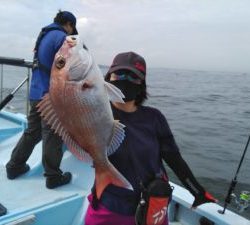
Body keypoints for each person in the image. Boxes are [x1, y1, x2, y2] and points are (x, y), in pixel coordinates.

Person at [84, 52, 217, 225]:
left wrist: (197, 191)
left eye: (134, 77)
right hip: (109, 208)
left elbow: (174, 158)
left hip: (152, 209)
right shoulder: (96, 113)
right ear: (108, 78)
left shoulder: (154, 118)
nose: (126, 80)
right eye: (120, 74)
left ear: (142, 84)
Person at [5, 10, 78, 189]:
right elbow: (69, 69)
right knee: (52, 136)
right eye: (72, 28)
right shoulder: (63, 39)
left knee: (33, 132)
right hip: (50, 96)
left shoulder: (45, 35)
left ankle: (14, 166)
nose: (71, 33)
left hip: (36, 93)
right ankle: (53, 176)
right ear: (68, 24)